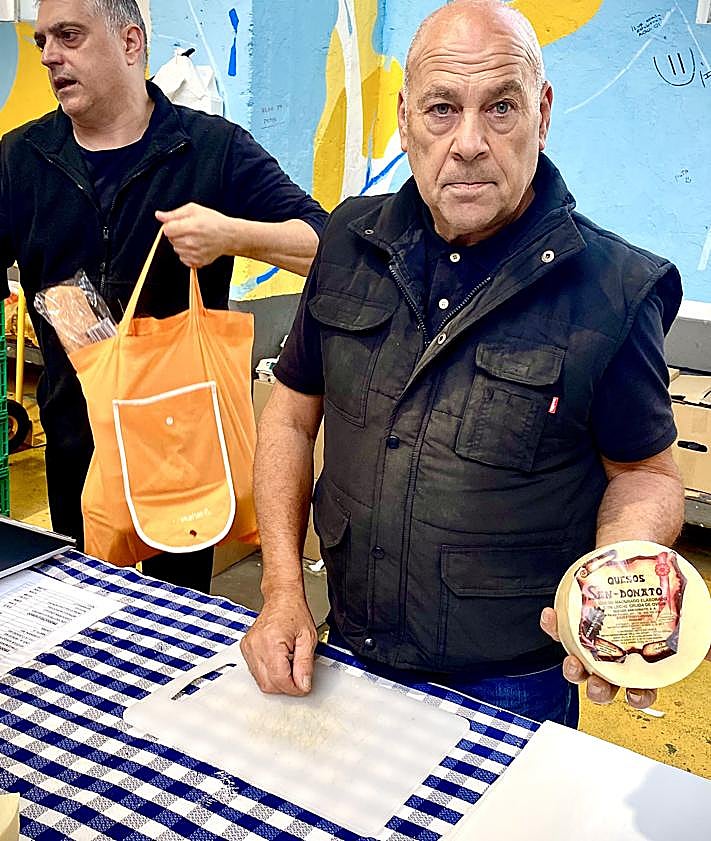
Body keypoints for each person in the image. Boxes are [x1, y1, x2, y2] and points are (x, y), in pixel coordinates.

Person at [240, 0, 686, 726]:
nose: (469, 143)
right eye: (442, 108)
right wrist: (283, 588)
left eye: (501, 107)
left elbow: (646, 474)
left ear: (542, 113)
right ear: (404, 118)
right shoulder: (349, 242)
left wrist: (611, 590)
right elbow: (290, 415)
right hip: (346, 644)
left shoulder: (613, 289)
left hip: (512, 683)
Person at [0, 0, 327, 591]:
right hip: (76, 446)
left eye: (69, 36)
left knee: (176, 613)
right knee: (85, 610)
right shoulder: (21, 158)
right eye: (43, 40)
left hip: (184, 452)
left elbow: (327, 245)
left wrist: (234, 234)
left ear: (130, 42)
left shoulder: (212, 151)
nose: (49, 56)